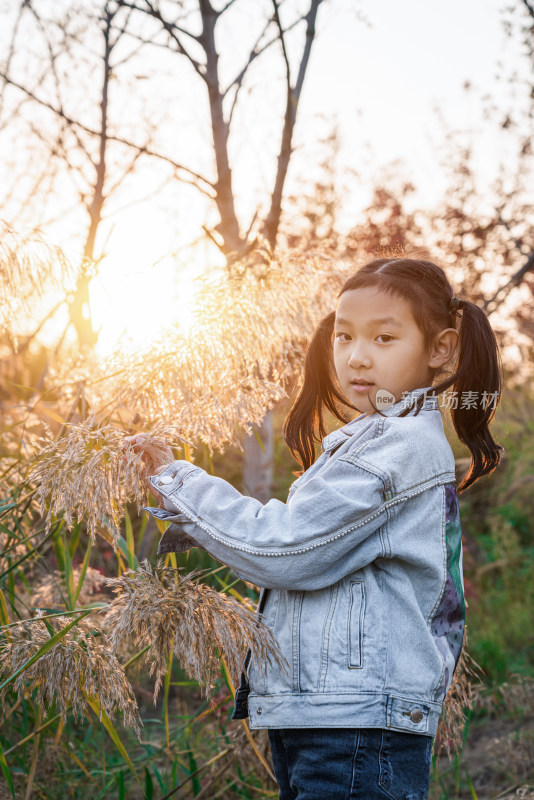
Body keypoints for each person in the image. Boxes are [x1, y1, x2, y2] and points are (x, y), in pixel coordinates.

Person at [130, 257, 504, 800]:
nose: (357, 356)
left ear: (440, 349)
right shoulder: (375, 439)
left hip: (355, 724)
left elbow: (287, 547)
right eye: (344, 335)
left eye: (383, 337)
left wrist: (178, 481)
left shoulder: (397, 449)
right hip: (335, 713)